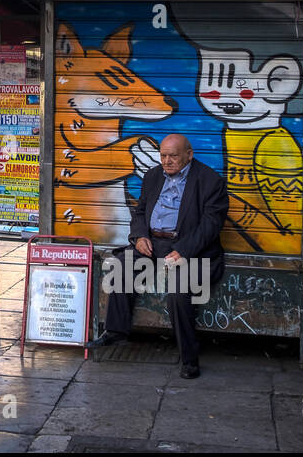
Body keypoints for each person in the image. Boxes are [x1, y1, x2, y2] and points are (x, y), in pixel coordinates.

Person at [90, 133, 228, 379]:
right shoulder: (153, 176)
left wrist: (183, 251)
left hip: (191, 250)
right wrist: (140, 236)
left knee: (179, 289)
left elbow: (210, 226)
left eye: (173, 156)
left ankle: (189, 358)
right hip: (153, 244)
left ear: (189, 154)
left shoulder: (209, 181)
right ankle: (116, 332)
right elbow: (140, 211)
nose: (167, 161)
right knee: (121, 265)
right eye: (163, 155)